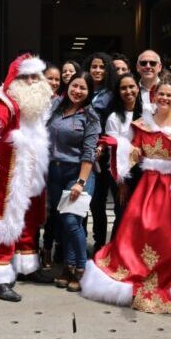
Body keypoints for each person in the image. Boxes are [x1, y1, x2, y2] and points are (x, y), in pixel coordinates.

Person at [80, 79, 171, 313]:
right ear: (154, 96)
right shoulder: (142, 124)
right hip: (148, 186)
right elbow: (136, 152)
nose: (165, 99)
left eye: (169, 95)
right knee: (139, 230)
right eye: (161, 94)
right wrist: (118, 145)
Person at [0, 54, 54, 302]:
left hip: (31, 170)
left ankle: (26, 266)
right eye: (25, 77)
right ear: (14, 79)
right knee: (4, 220)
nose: (31, 82)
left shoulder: (37, 105)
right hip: (9, 173)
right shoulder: (4, 102)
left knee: (28, 218)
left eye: (35, 77)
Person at [47, 72, 101, 291]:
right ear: (68, 85)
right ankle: (68, 268)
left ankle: (81, 266)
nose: (77, 91)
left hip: (78, 173)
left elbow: (89, 152)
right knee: (65, 222)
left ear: (89, 92)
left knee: (71, 221)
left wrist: (80, 181)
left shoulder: (90, 116)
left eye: (83, 88)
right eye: (75, 86)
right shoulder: (56, 109)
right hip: (54, 172)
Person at [104, 73, 143, 238]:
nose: (128, 91)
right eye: (123, 88)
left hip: (144, 172)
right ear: (118, 92)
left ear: (137, 88)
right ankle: (114, 255)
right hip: (122, 172)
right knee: (122, 214)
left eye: (131, 87)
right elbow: (114, 152)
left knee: (140, 216)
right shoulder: (114, 117)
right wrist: (121, 183)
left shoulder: (148, 113)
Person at [83, 52, 114, 252]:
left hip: (101, 155)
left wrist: (102, 146)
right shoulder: (81, 89)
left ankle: (100, 245)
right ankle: (78, 244)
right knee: (78, 201)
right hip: (79, 152)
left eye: (102, 67)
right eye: (94, 66)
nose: (97, 70)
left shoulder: (111, 94)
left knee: (97, 203)